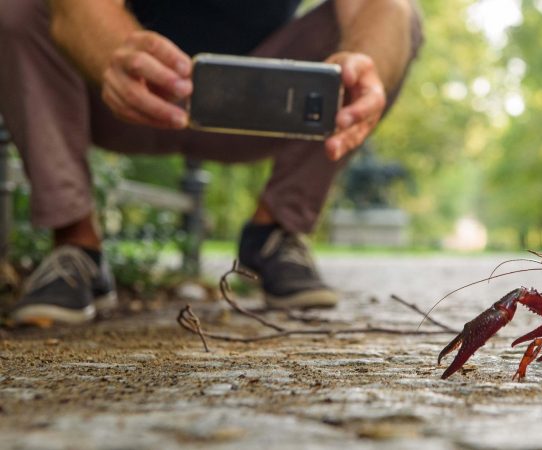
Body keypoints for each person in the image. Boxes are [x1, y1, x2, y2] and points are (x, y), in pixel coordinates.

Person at [0, 0, 422, 326]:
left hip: (263, 107)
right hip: (109, 89)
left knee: (398, 21)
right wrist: (113, 49)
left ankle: (274, 231)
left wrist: (367, 63)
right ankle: (76, 242)